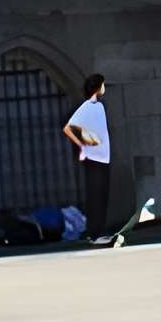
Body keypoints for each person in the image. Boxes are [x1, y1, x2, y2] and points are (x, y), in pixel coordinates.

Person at [61, 73, 113, 244]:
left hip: (103, 158)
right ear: (98, 87)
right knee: (96, 195)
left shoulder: (98, 106)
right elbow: (68, 128)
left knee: (102, 195)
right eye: (103, 85)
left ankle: (99, 231)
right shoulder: (87, 106)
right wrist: (82, 145)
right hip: (94, 159)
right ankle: (95, 234)